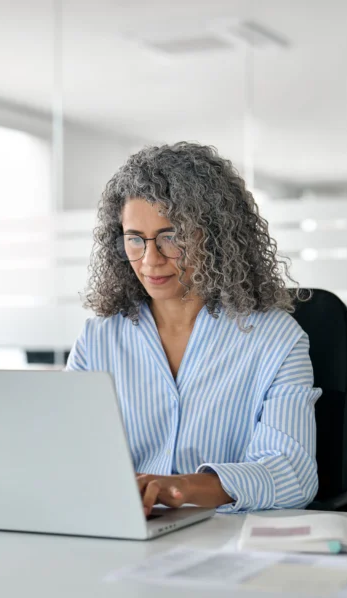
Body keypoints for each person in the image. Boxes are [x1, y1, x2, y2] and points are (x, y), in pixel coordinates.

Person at [66, 142, 321, 515]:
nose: (150, 259)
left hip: (227, 544)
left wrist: (180, 487)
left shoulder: (277, 340)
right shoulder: (98, 340)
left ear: (215, 237)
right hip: (121, 536)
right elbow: (64, 453)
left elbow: (291, 474)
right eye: (135, 239)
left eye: (172, 237)